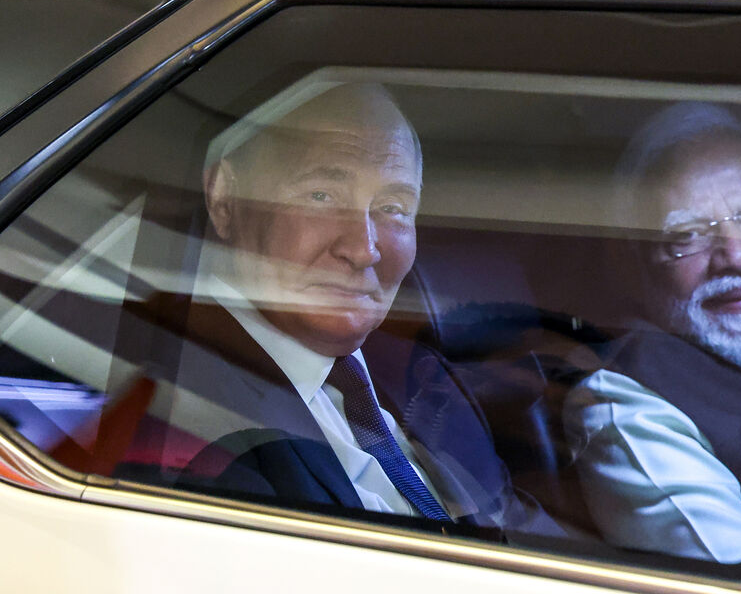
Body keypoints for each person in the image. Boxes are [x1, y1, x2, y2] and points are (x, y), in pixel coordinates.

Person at [137, 81, 565, 541]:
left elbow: (521, 532)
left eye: (392, 207)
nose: (364, 248)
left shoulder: (420, 373)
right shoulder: (191, 432)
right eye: (321, 196)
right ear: (224, 199)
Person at [563, 102, 741, 563]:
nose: (738, 256)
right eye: (687, 235)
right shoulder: (623, 404)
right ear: (629, 264)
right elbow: (730, 574)